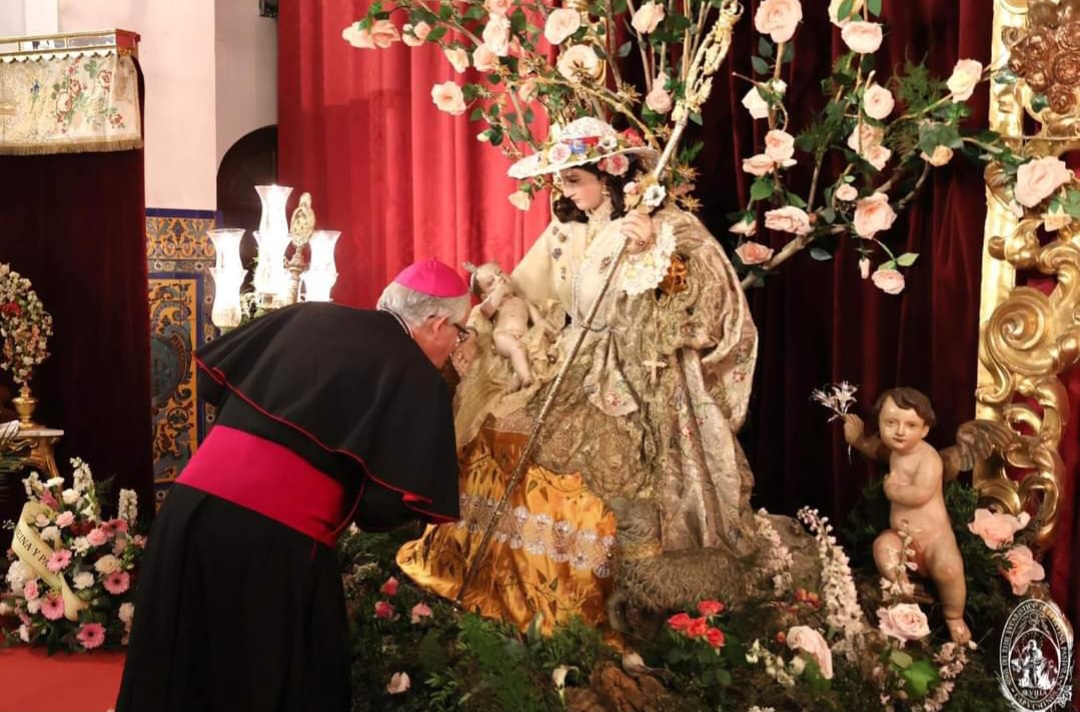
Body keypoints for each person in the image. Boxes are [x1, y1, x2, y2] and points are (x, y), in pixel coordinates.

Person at [398, 118, 760, 632]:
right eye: (560, 181)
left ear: (609, 173)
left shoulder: (665, 225)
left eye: (572, 180)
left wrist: (655, 255)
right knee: (502, 433)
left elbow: (707, 294)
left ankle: (585, 600)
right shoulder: (569, 228)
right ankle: (496, 579)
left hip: (633, 367)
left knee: (594, 473)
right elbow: (530, 285)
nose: (562, 192)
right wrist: (501, 313)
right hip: (573, 353)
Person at [116, 260, 471, 712]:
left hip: (187, 512)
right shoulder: (419, 377)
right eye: (460, 332)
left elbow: (213, 383)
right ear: (438, 323)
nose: (457, 345)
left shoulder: (309, 314)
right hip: (272, 546)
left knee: (178, 667)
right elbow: (380, 511)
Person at [843, 387, 971, 644]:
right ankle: (903, 589)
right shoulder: (895, 453)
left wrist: (893, 490)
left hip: (935, 538)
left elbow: (920, 494)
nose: (900, 431)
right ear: (879, 424)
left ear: (924, 430)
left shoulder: (929, 459)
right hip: (903, 538)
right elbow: (874, 448)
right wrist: (856, 439)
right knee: (883, 547)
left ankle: (954, 615)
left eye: (911, 425)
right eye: (891, 423)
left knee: (949, 569)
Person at [465, 260, 556, 390]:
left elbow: (539, 320)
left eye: (499, 273)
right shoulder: (495, 305)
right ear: (485, 296)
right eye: (491, 282)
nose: (499, 278)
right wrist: (500, 291)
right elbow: (485, 311)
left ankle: (516, 380)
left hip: (525, 336)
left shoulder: (523, 301)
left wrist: (553, 331)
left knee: (528, 351)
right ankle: (526, 378)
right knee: (517, 348)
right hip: (503, 335)